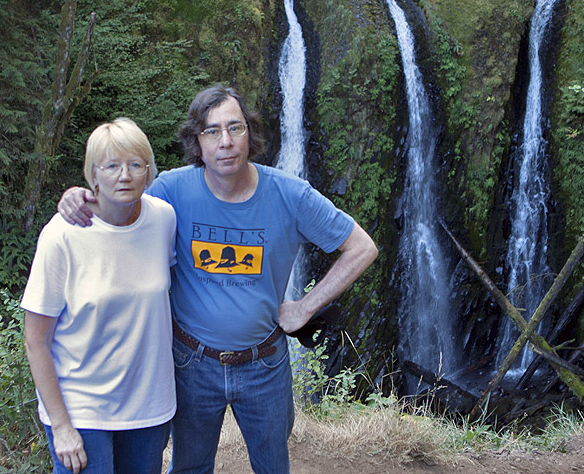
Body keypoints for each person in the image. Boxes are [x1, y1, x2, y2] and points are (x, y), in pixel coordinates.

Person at [58, 85, 378, 474]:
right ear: (198, 140)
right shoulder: (170, 192)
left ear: (250, 133)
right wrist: (80, 195)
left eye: (235, 128)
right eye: (212, 131)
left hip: (265, 363)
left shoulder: (290, 194)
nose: (225, 142)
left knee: (273, 466)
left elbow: (361, 247)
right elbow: (119, 203)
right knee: (190, 466)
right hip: (191, 363)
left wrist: (305, 306)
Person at [23, 118, 176, 474]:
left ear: (149, 171)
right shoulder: (62, 235)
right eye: (112, 166)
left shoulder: (164, 220)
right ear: (93, 175)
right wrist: (61, 427)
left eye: (136, 165)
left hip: (148, 406)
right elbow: (35, 341)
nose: (125, 176)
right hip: (82, 408)